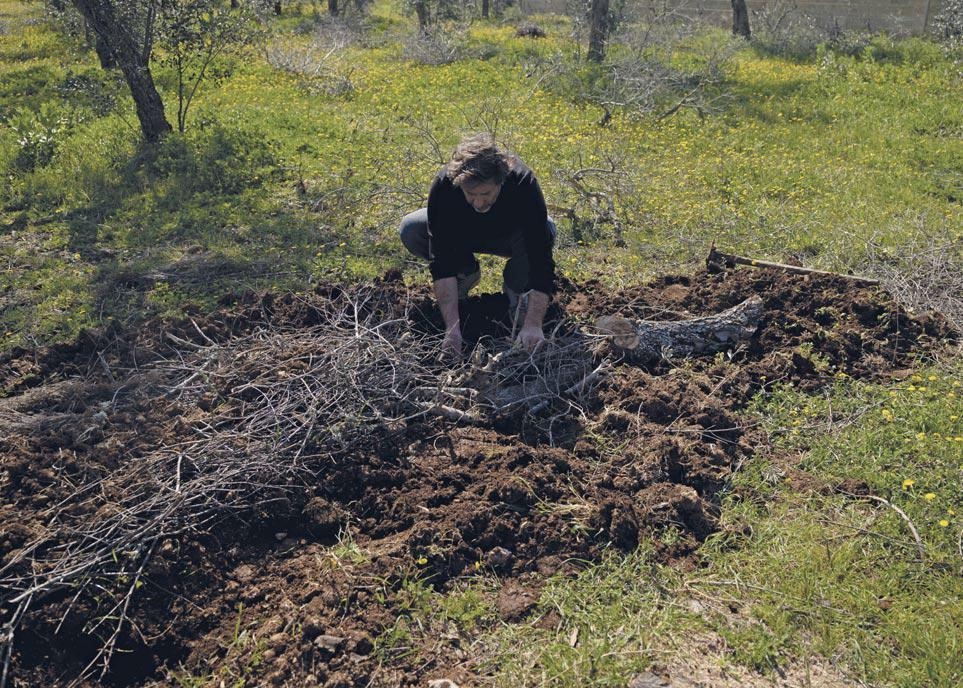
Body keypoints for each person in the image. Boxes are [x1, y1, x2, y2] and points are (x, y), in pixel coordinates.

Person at [399, 133, 556, 358]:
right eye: (471, 194)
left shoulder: (523, 183)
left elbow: (541, 257)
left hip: (509, 235)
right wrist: (452, 330)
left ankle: (519, 291)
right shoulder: (445, 185)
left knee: (546, 230)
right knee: (412, 228)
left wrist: (533, 324)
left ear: (501, 181)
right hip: (463, 234)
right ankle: (465, 273)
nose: (479, 202)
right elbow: (441, 260)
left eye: (486, 193)